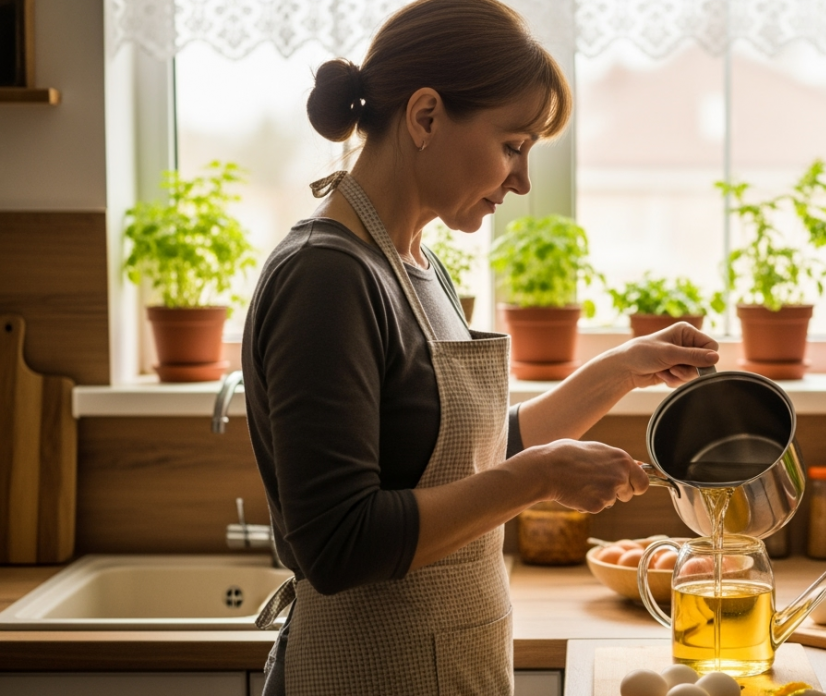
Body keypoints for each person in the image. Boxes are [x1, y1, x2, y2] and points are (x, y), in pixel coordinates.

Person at [240, 1, 720, 693]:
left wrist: (619, 370)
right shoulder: (326, 277)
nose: (522, 180)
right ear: (426, 116)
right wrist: (540, 478)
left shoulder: (415, 263)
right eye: (512, 145)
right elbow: (340, 541)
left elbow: (473, 455)